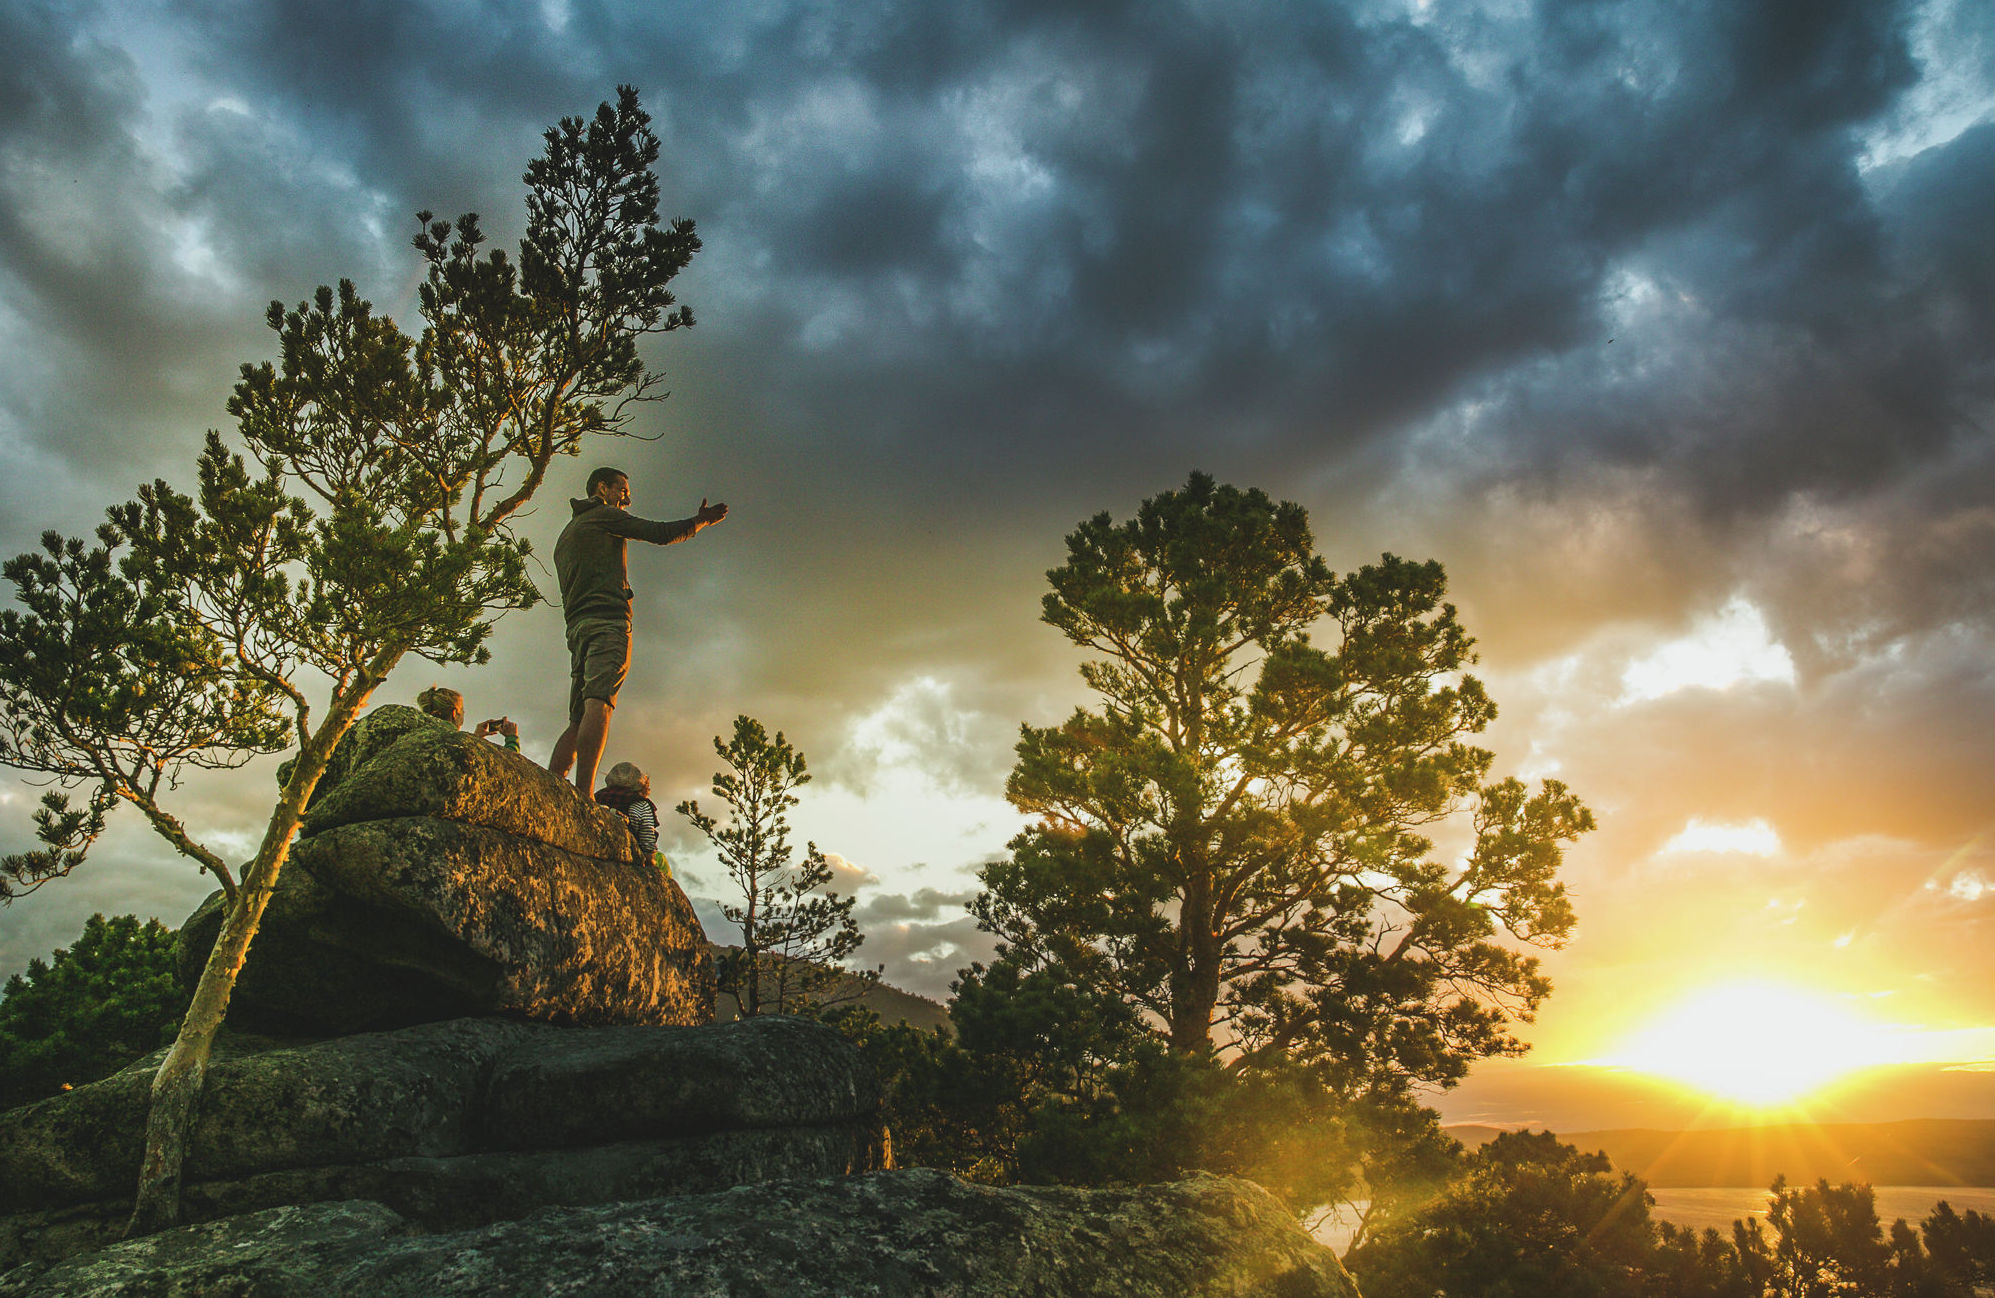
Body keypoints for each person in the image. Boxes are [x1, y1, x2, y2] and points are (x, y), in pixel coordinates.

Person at [548, 467, 726, 794]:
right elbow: (658, 533)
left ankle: (552, 790)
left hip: (577, 628)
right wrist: (701, 522)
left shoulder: (567, 534)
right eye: (622, 489)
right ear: (602, 488)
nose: (628, 498)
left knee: (577, 717)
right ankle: (584, 796)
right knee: (599, 700)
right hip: (607, 621)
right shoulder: (603, 516)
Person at [595, 761, 662, 866]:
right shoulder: (641, 804)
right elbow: (647, 838)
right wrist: (650, 863)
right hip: (627, 855)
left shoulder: (598, 796)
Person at [415, 686, 520, 752]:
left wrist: (475, 739)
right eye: (462, 709)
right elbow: (512, 768)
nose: (464, 713)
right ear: (454, 713)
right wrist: (512, 738)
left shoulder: (419, 738)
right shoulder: (460, 746)